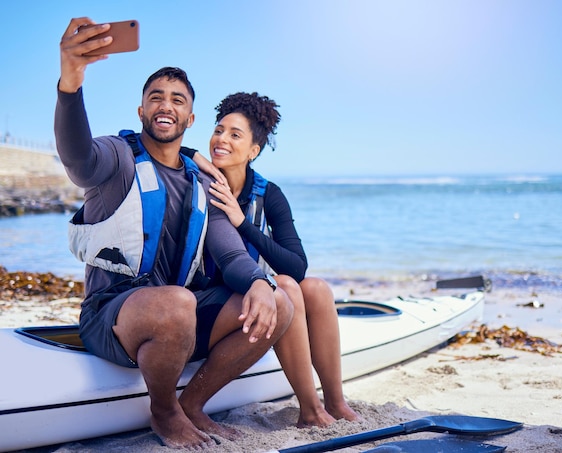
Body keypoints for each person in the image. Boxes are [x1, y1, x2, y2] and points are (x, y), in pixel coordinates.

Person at [55, 18, 293, 449]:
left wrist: (259, 281)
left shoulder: (202, 182)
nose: (166, 105)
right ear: (142, 110)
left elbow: (230, 252)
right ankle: (163, 412)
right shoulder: (117, 158)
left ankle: (194, 404)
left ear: (190, 116)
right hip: (111, 315)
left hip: (177, 315)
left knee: (278, 300)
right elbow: (77, 157)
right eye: (156, 98)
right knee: (177, 303)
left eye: (177, 100)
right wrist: (70, 84)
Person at [186, 92, 360, 427]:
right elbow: (166, 150)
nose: (221, 139)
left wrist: (243, 223)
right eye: (219, 130)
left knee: (316, 289)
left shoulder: (268, 194)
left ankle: (335, 402)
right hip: (207, 303)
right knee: (284, 288)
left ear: (253, 151)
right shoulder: (197, 179)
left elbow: (297, 266)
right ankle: (310, 410)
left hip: (252, 302)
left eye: (235, 135)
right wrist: (192, 152)